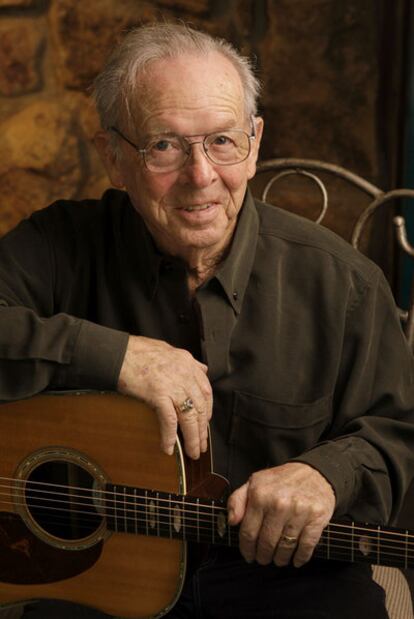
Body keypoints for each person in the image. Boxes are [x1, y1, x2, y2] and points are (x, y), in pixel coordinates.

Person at [0, 21, 413, 619]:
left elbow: (398, 434)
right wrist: (116, 356)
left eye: (222, 141)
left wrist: (327, 474)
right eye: (164, 145)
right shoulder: (60, 245)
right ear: (113, 156)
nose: (200, 177)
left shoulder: (344, 284)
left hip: (288, 581)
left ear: (255, 143)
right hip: (94, 581)